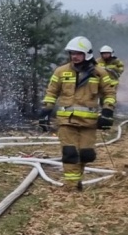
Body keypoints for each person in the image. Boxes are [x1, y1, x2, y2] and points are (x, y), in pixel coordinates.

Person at [39, 36, 117, 190]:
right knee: (70, 152)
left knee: (86, 154)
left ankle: (77, 180)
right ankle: (71, 186)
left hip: (89, 123)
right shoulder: (61, 71)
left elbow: (110, 93)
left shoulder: (99, 73)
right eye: (72, 53)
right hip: (66, 121)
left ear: (87, 54)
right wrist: (46, 111)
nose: (74, 56)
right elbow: (51, 92)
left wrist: (107, 111)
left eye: (78, 53)